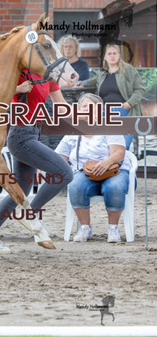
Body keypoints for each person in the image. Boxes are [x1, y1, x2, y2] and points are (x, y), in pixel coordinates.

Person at [0, 70, 75, 254]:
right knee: (65, 173)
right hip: (21, 135)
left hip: (33, 134)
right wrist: (18, 88)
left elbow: (61, 106)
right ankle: (31, 212)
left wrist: (83, 115)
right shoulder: (22, 72)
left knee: (21, 190)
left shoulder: (49, 78)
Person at [55, 94, 131, 243]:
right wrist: (44, 164)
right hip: (85, 172)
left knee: (114, 187)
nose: (86, 109)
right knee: (75, 185)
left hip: (113, 170)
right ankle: (85, 227)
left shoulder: (108, 125)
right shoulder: (73, 130)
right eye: (84, 106)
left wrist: (105, 163)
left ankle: (113, 228)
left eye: (91, 106)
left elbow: (119, 153)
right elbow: (59, 156)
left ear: (100, 109)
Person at [82, 43, 146, 149]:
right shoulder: (102, 73)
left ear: (119, 55)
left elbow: (140, 89)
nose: (112, 56)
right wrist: (82, 83)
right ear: (105, 57)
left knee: (123, 146)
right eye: (109, 53)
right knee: (104, 145)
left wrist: (129, 104)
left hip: (124, 111)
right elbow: (93, 81)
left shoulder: (128, 70)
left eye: (115, 53)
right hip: (104, 112)